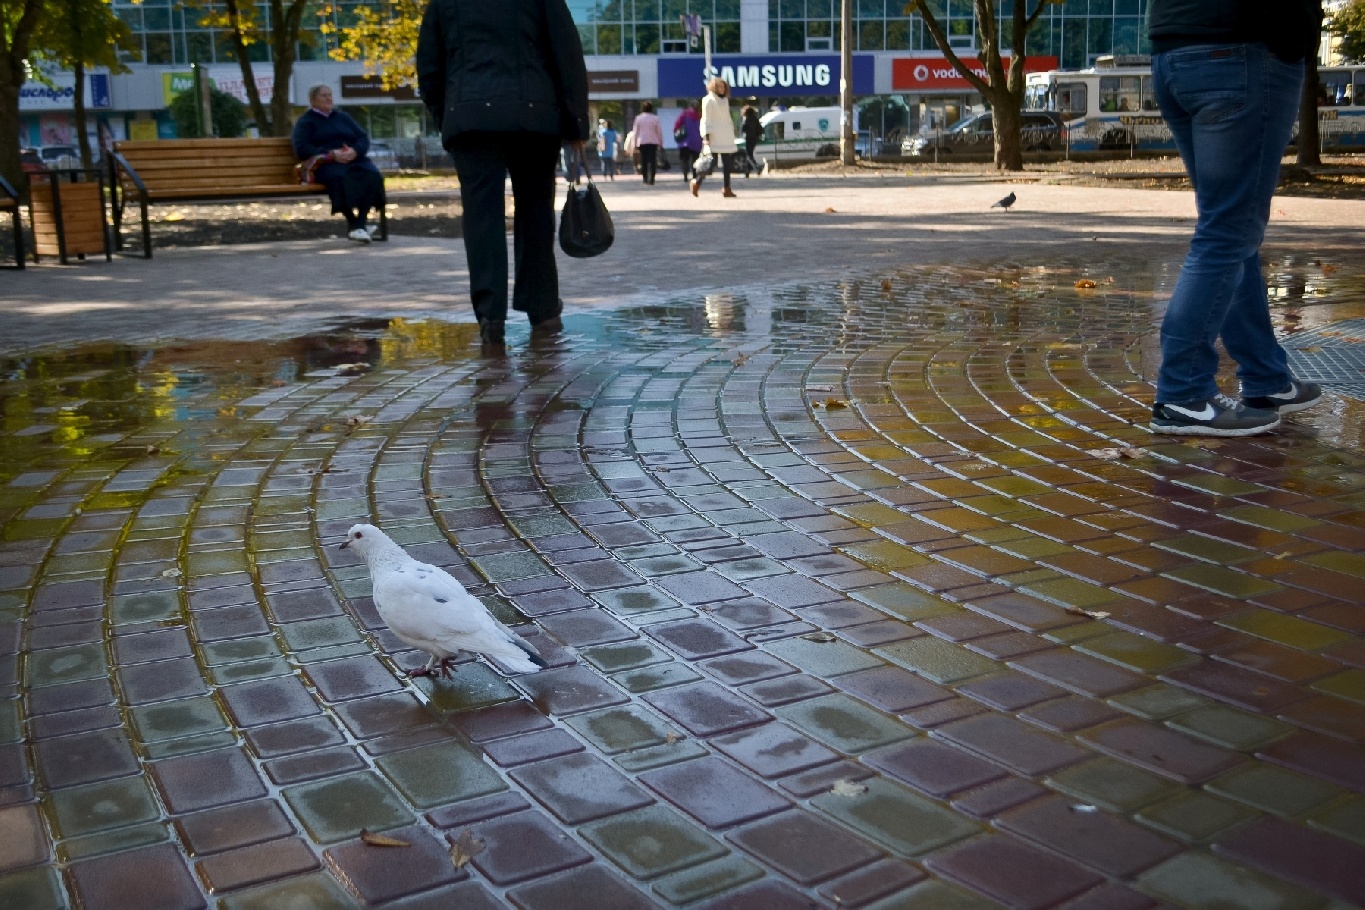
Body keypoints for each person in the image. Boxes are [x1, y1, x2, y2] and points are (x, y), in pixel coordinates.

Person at [1146, 0, 1324, 436]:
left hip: (1174, 49)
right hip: (1245, 48)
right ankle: (1184, 391)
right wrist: (1294, 35)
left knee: (1231, 227)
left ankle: (1266, 378)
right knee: (1228, 230)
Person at [416, 0, 589, 348]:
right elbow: (567, 55)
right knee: (536, 214)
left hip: (471, 118)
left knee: (482, 218)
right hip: (534, 117)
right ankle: (542, 308)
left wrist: (448, 116)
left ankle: (490, 316)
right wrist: (576, 124)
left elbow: (430, 68)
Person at [292, 84, 386, 243]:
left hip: (353, 159)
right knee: (338, 178)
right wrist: (332, 154)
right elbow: (301, 148)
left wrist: (355, 151)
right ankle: (355, 224)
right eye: (324, 95)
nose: (329, 98)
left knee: (373, 176)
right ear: (313, 100)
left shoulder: (343, 117)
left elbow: (362, 138)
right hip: (326, 163)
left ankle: (360, 224)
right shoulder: (306, 121)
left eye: (330, 95)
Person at [691, 77, 738, 198]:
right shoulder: (708, 100)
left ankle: (726, 188)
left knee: (727, 163)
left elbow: (727, 118)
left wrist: (732, 131)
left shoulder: (725, 101)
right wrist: (706, 136)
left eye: (723, 87)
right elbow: (706, 119)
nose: (722, 89)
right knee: (710, 162)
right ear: (714, 87)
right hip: (713, 136)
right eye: (719, 87)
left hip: (725, 136)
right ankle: (697, 182)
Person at [632, 101, 664, 185]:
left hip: (642, 142)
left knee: (644, 161)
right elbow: (659, 132)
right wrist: (661, 143)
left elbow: (635, 132)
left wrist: (634, 144)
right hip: (653, 142)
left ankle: (645, 178)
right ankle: (652, 179)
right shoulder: (655, 118)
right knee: (652, 160)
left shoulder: (638, 118)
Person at [673, 103, 702, 184]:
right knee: (695, 160)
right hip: (696, 142)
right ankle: (695, 176)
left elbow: (676, 125)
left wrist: (676, 132)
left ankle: (685, 176)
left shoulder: (684, 114)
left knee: (684, 159)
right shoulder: (700, 116)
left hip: (684, 142)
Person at [740, 105, 763, 176]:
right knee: (750, 154)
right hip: (754, 139)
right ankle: (747, 172)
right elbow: (760, 129)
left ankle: (757, 167)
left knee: (749, 155)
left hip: (748, 138)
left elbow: (743, 129)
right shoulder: (755, 119)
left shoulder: (746, 119)